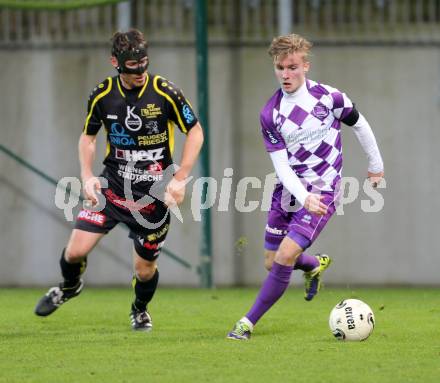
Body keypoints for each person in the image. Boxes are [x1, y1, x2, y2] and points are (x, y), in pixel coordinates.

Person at [34, 29, 204, 332]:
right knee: (74, 251)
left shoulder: (166, 92)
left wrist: (180, 178)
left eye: (144, 64)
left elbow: (195, 131)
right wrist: (87, 176)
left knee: (144, 269)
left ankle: (139, 309)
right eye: (131, 66)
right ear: (115, 62)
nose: (139, 72)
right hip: (111, 188)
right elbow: (88, 138)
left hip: (153, 196)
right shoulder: (102, 94)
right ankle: (70, 286)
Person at [227, 34, 384, 340]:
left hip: (325, 189)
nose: (286, 74)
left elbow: (360, 124)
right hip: (288, 192)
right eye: (280, 68)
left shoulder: (330, 98)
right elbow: (281, 167)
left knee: (285, 256)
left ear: (305, 66)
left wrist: (375, 165)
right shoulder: (270, 113)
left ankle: (247, 323)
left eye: (292, 67)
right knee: (271, 262)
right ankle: (313, 266)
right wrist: (302, 196)